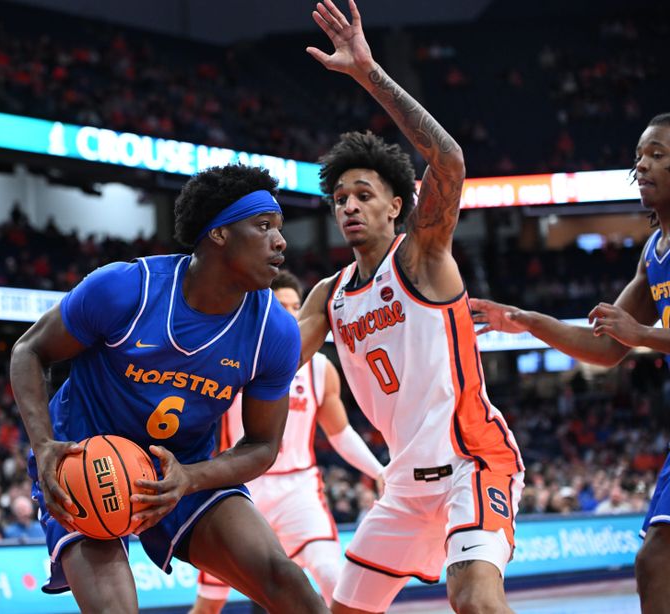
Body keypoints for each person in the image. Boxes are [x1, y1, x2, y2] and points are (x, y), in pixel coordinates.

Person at [10, 164, 329, 613]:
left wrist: (189, 479)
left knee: (288, 582)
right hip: (85, 460)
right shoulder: (126, 289)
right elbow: (29, 350)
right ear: (218, 234)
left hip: (181, 465)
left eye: (279, 228)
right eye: (263, 227)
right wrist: (44, 445)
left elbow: (261, 445)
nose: (281, 242)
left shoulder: (273, 332)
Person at [296, 2, 524, 612]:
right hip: (403, 483)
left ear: (397, 206)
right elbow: (271, 365)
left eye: (363, 194)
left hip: (471, 458)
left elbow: (448, 162)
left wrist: (369, 73)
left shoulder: (420, 256)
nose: (347, 205)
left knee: (473, 598)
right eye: (340, 196)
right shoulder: (329, 295)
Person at [470, 112, 670, 614]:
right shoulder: (654, 253)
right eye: (639, 157)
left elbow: (631, 334)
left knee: (657, 559)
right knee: (655, 561)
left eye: (658, 155)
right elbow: (606, 347)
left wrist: (644, 333)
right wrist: (527, 319)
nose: (642, 166)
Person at [191, 271, 384, 613]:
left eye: (297, 306)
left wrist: (377, 470)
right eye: (282, 306)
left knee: (331, 575)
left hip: (299, 490)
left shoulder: (321, 368)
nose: (292, 314)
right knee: (210, 603)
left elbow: (340, 433)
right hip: (240, 487)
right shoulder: (231, 360)